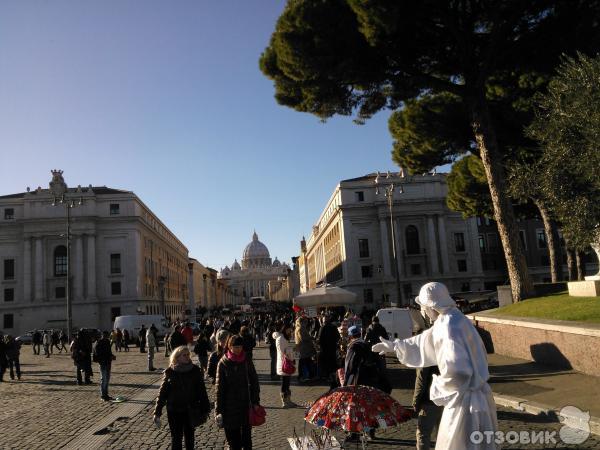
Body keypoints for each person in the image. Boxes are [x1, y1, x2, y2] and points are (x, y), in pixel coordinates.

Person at [373, 282, 498, 450]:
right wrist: (395, 346)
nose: (423, 312)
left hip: (464, 403)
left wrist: (438, 386)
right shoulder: (451, 319)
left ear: (432, 305)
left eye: (423, 307)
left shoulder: (449, 326)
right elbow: (422, 341)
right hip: (471, 399)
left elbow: (459, 372)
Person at [154, 346, 210, 450]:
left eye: (188, 354)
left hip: (190, 409)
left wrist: (205, 408)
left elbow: (202, 391)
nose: (187, 357)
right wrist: (157, 412)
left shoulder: (195, 371)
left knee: (190, 437)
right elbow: (162, 394)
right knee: (176, 438)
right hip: (174, 411)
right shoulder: (170, 372)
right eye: (184, 355)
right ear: (177, 357)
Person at [215, 335, 260, 450]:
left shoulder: (246, 360)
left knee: (247, 440)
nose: (238, 349)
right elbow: (219, 389)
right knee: (233, 441)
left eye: (240, 347)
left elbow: (254, 381)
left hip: (246, 405)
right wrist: (218, 410)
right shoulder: (223, 363)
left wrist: (255, 402)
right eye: (235, 347)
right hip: (229, 407)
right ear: (229, 347)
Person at [273, 323, 296, 408]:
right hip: (284, 363)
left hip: (287, 361)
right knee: (284, 383)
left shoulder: (284, 338)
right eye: (289, 329)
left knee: (287, 382)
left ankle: (288, 400)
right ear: (285, 329)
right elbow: (282, 351)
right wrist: (291, 351)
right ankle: (284, 402)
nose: (291, 331)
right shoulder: (280, 338)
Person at [317, 315, 340, 387]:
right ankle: (333, 375)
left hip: (325, 349)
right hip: (332, 348)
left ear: (324, 321)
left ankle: (328, 376)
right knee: (332, 362)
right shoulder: (334, 327)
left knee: (326, 363)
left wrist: (320, 346)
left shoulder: (322, 328)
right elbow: (338, 337)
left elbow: (319, 339)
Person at [93, 330, 116, 401]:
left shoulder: (107, 342)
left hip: (108, 362)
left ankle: (106, 394)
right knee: (103, 379)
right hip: (103, 363)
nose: (106, 337)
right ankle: (103, 395)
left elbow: (109, 352)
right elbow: (98, 354)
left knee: (107, 379)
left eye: (107, 335)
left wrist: (112, 356)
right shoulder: (99, 343)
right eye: (105, 335)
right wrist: (107, 357)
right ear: (102, 335)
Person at [294, 317, 316, 382]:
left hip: (303, 348)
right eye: (305, 322)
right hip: (304, 348)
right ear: (301, 322)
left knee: (306, 361)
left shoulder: (298, 328)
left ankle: (308, 375)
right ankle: (302, 376)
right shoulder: (300, 328)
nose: (306, 323)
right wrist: (311, 338)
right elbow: (303, 338)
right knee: (304, 362)